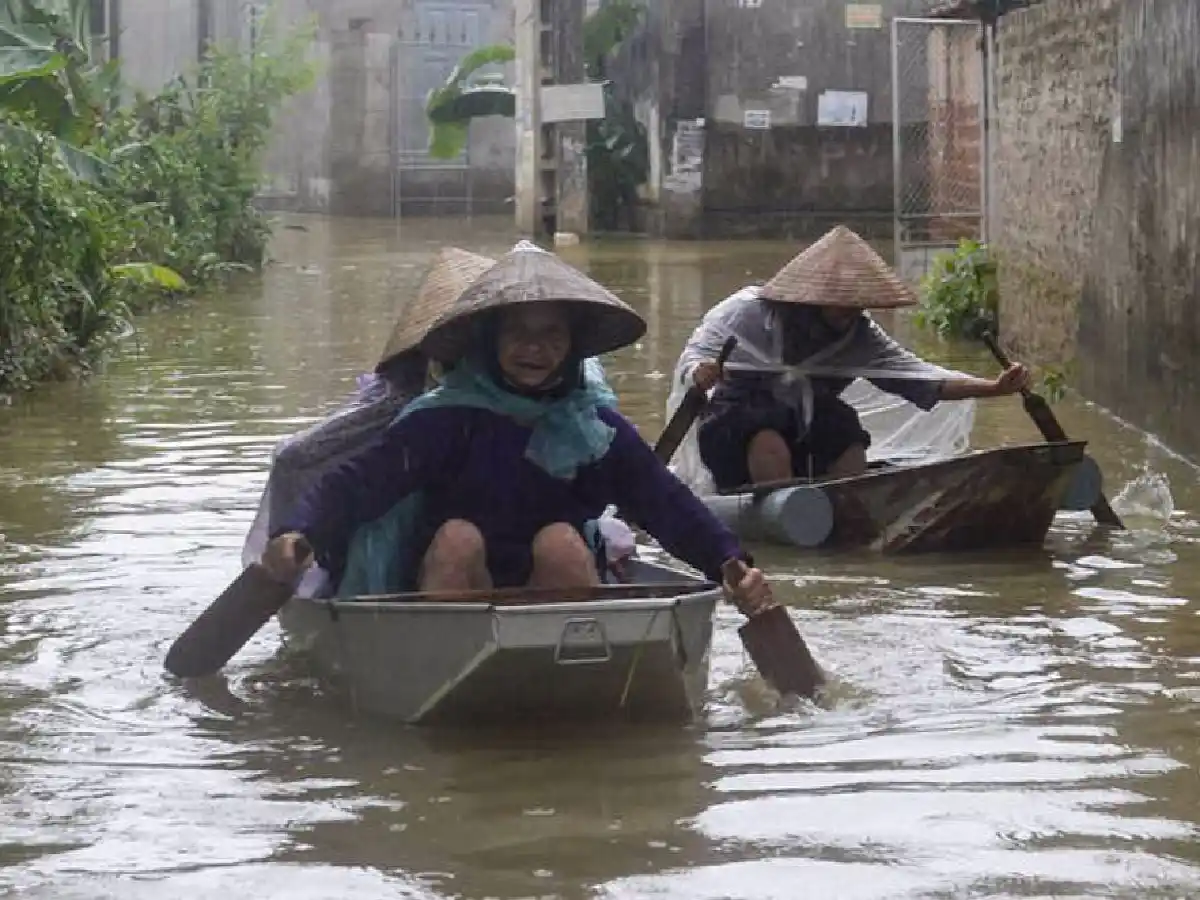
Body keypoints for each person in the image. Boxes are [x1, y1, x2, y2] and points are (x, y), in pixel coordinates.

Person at [261, 240, 772, 614]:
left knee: (560, 540)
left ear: (571, 347)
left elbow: (666, 503)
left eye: (551, 334)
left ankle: (565, 673)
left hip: (553, 584)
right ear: (490, 341)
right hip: (455, 582)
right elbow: (356, 486)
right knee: (459, 537)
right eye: (519, 333)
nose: (535, 348)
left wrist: (729, 563)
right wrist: (299, 533)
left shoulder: (594, 428)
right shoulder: (444, 419)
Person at [674, 225, 1031, 491]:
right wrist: (700, 373)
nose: (851, 310)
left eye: (857, 303)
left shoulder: (859, 335)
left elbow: (917, 376)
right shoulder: (746, 313)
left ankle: (848, 502)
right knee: (765, 433)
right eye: (841, 301)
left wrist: (993, 388)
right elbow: (697, 356)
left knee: (843, 429)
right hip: (736, 428)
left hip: (809, 428)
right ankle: (780, 507)